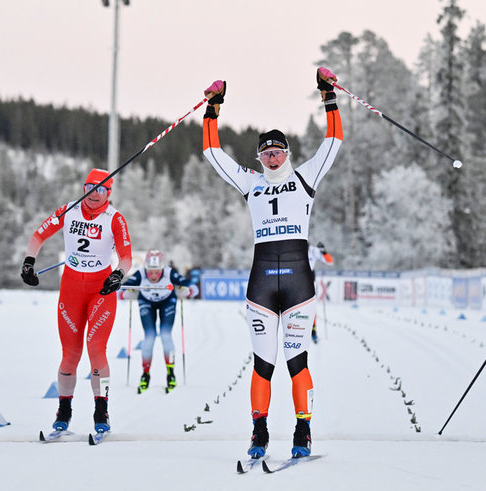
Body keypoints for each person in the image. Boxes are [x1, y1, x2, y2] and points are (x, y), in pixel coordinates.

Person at [201, 67, 342, 459]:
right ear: (259, 157)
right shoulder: (250, 181)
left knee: (297, 360)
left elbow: (333, 140)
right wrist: (212, 108)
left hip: (298, 282)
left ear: (288, 154)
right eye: (265, 152)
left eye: (278, 150)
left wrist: (328, 95)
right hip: (261, 282)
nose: (272, 156)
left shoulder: (306, 176)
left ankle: (303, 431)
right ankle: (258, 432)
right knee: (263, 364)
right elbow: (213, 153)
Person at [21, 168, 132, 435]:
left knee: (96, 350)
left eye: (101, 190)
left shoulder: (115, 218)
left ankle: (101, 409)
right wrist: (28, 262)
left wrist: (118, 275)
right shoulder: (68, 211)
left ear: (109, 192)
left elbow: (126, 256)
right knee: (69, 356)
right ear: (84, 188)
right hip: (71, 289)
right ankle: (64, 411)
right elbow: (38, 236)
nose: (94, 195)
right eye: (90, 189)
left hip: (101, 291)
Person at [121, 249, 197, 393]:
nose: (154, 276)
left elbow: (186, 282)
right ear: (146, 269)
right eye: (150, 272)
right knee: (149, 337)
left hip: (167, 302)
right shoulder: (141, 273)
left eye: (157, 272)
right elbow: (126, 286)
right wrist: (126, 293)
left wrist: (190, 290)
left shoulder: (169, 272)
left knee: (165, 335)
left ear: (162, 268)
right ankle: (145, 374)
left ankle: (171, 374)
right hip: (146, 303)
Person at [307, 242, 334, 343]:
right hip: (297, 280)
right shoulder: (294, 248)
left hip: (309, 280)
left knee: (311, 307)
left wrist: (324, 252)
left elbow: (330, 261)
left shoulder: (313, 250)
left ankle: (313, 332)